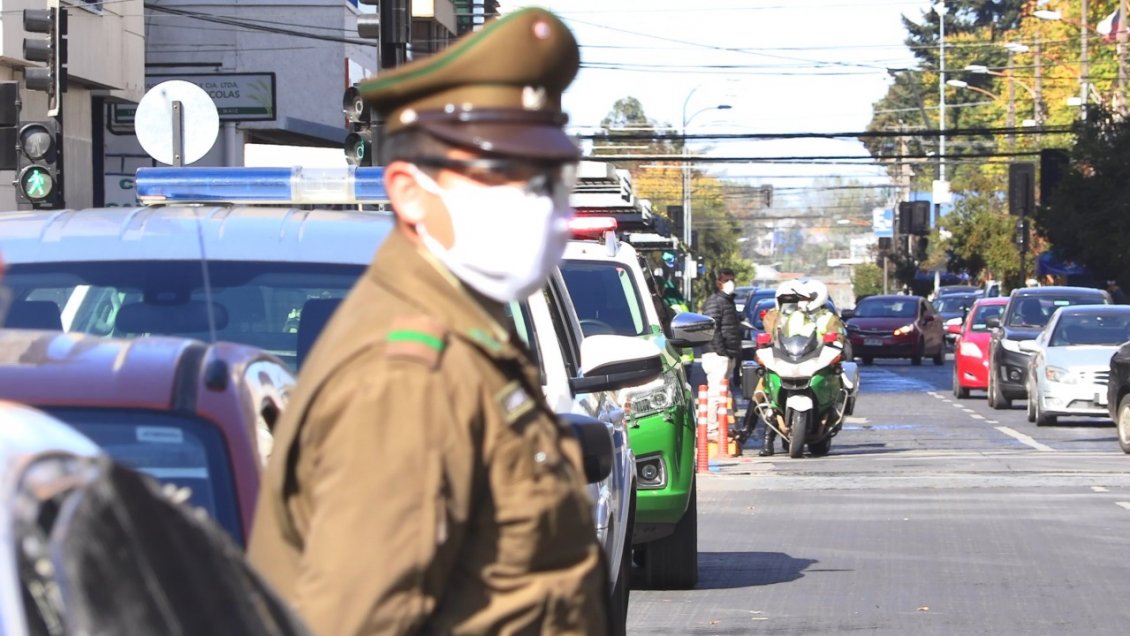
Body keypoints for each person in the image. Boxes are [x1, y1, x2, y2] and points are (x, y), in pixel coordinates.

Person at [248, 9, 609, 635]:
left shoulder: (469, 338)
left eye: (549, 177)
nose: (538, 202)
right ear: (410, 193)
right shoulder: (406, 377)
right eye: (502, 174)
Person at [754, 279, 844, 457]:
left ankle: (831, 415)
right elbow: (780, 334)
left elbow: (840, 340)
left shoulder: (828, 317)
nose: (803, 301)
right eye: (800, 298)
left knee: (840, 384)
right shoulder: (789, 315)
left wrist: (834, 346)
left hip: (818, 361)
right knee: (763, 391)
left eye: (807, 298)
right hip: (792, 358)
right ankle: (765, 439)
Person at [700, 268, 742, 437]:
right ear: (719, 283)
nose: (730, 283)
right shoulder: (715, 302)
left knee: (724, 394)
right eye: (726, 280)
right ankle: (711, 428)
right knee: (715, 394)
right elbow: (712, 328)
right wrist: (721, 351)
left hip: (727, 354)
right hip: (717, 355)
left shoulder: (727, 301)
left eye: (732, 279)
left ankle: (723, 427)